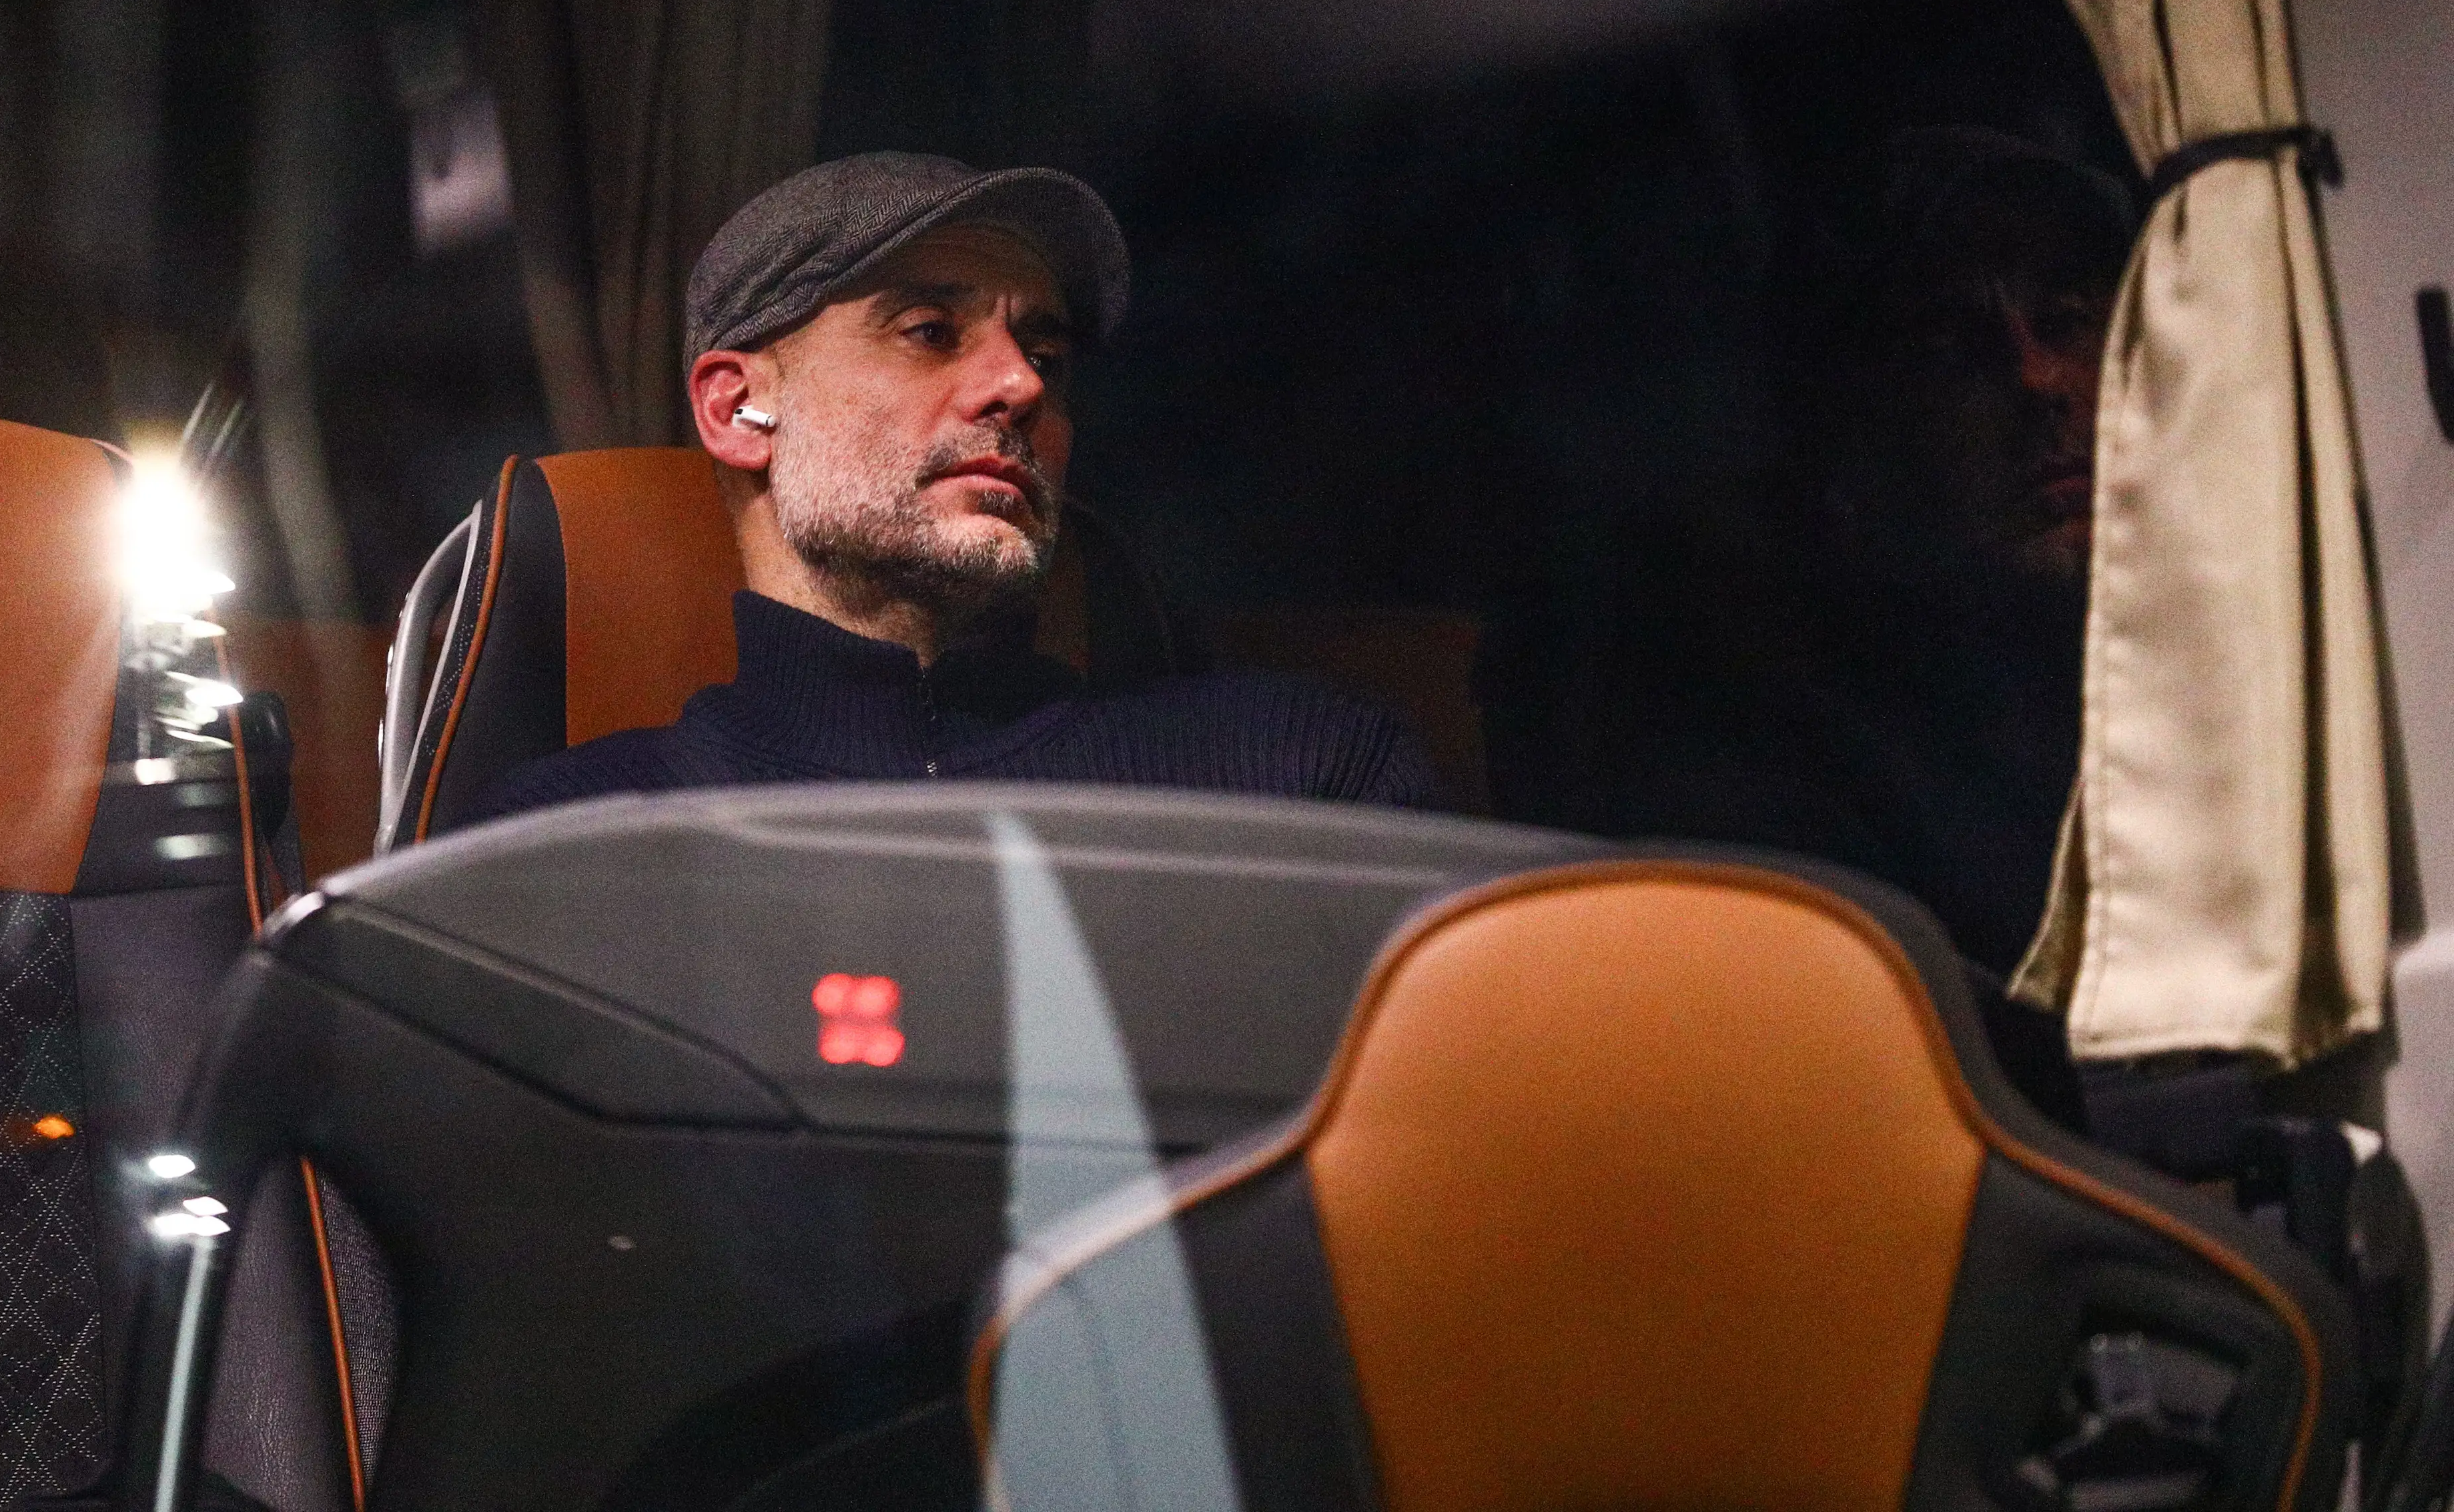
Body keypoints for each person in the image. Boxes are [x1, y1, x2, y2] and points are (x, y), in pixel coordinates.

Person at [459, 152, 1439, 823]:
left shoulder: (1300, 780)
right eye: (929, 330)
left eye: (1046, 352)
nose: (1020, 385)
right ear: (738, 410)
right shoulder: (573, 842)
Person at [1485, 125, 2133, 1124]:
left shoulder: (2251, 653)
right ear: (1859, 426)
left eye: (2070, 318)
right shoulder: (1784, 769)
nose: (2038, 379)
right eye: (1950, 346)